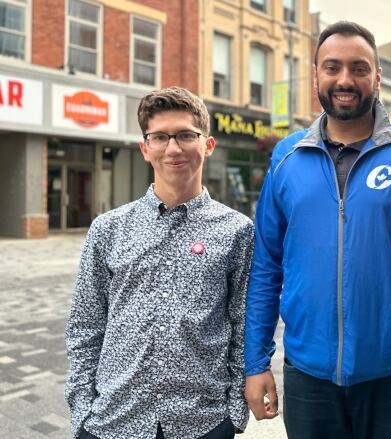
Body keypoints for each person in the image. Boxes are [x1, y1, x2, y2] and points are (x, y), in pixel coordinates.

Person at [244, 21, 391, 439]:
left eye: (359, 68)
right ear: (316, 76)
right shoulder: (286, 157)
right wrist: (256, 363)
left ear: (377, 76)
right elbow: (266, 267)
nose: (345, 80)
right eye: (332, 67)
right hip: (310, 375)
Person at [65, 87, 253, 439]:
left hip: (202, 423)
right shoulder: (108, 229)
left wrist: (233, 413)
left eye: (185, 135)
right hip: (113, 421)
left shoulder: (237, 231)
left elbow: (243, 325)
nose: (173, 148)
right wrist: (82, 413)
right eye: (160, 137)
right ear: (145, 148)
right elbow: (85, 326)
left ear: (207, 145)